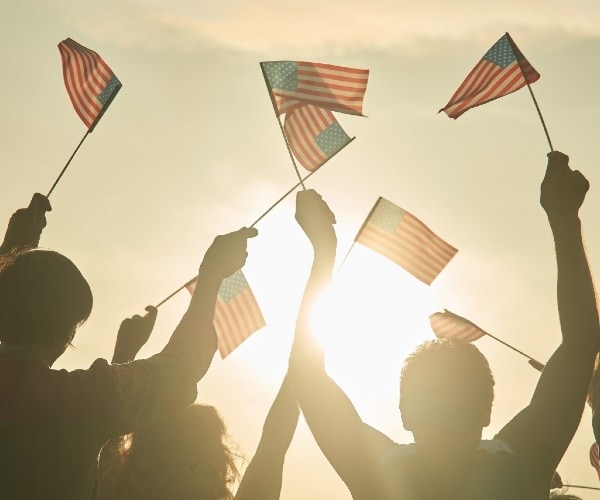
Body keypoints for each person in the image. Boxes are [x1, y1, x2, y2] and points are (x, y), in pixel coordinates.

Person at [288, 151, 599, 499]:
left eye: (448, 404)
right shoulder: (521, 460)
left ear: (405, 413)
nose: (446, 419)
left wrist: (323, 252)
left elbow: (306, 373)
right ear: (486, 410)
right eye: (441, 403)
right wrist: (564, 219)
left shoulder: (380, 472)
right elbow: (581, 342)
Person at [0, 226, 257, 499]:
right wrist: (212, 275)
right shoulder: (79, 398)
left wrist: (15, 242)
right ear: (66, 334)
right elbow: (180, 369)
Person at [98, 309, 300, 500]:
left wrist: (124, 353)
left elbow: (109, 424)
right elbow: (274, 443)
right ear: (215, 461)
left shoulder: (109, 490)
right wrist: (304, 357)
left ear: (142, 447)